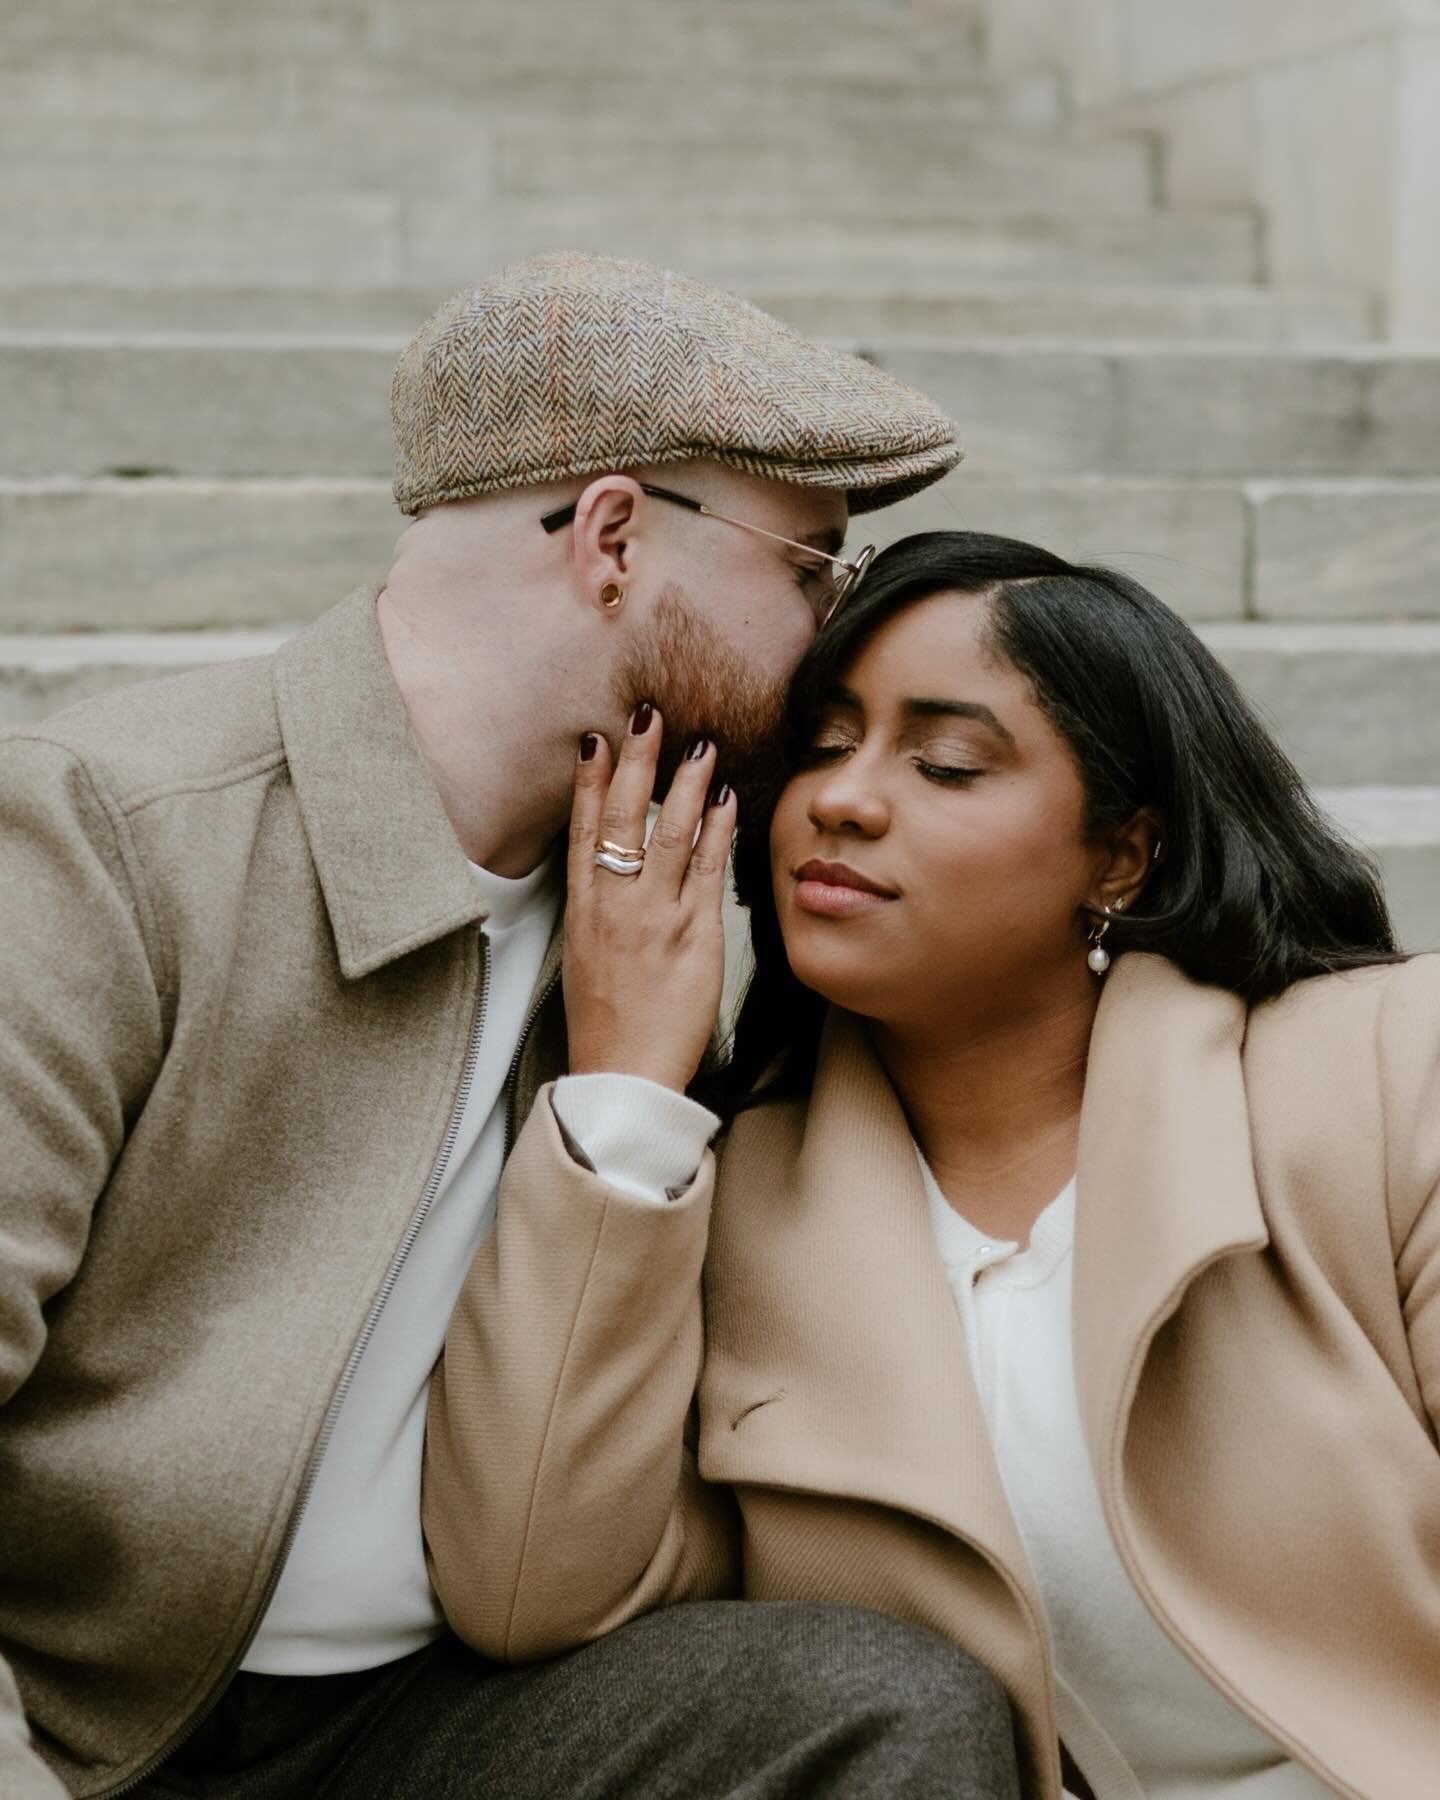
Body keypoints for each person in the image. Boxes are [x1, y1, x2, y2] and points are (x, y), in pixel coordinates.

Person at [0, 255, 1026, 1800]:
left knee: (888, 1708)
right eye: (813, 562)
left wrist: (627, 1085)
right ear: (613, 536)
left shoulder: (676, 882)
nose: (836, 624)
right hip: (100, 1739)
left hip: (448, 1710)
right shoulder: (109, 832)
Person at [424, 530, 1440, 1800]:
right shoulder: (720, 1207)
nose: (843, 799)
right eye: (827, 744)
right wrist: (626, 1089)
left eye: (948, 763)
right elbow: (525, 1590)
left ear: (1122, 856)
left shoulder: (1388, 1073)